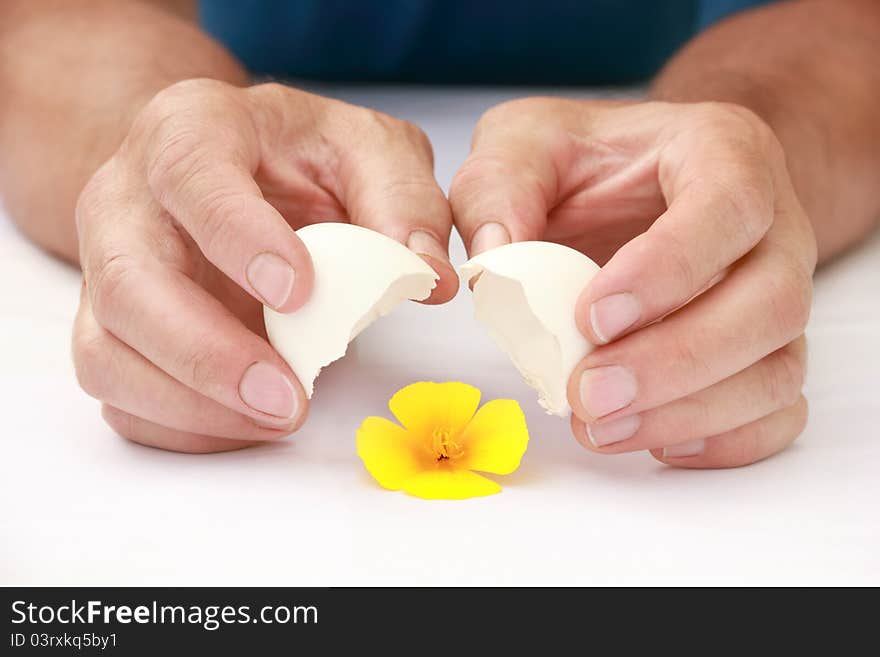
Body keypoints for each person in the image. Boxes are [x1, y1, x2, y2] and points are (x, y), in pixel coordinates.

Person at [1, 1, 877, 467]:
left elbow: (845, 19)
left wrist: (739, 156)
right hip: (251, 129)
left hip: (641, 130)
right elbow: (56, 15)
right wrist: (160, 158)